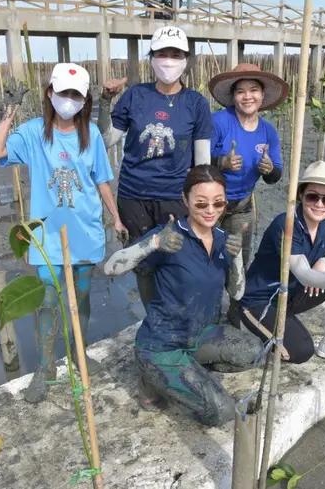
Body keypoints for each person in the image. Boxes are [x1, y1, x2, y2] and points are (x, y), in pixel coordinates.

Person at [0, 63, 125, 403]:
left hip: (85, 231)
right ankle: (45, 366)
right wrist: (10, 111)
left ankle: (79, 353)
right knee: (47, 300)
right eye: (63, 93)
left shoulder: (90, 134)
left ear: (84, 99)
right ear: (50, 93)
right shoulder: (34, 132)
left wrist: (117, 218)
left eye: (76, 95)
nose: (69, 99)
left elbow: (101, 180)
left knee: (82, 298)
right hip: (48, 235)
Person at [103, 165, 261, 426]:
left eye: (218, 203)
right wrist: (152, 243)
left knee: (254, 352)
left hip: (201, 334)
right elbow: (111, 267)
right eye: (201, 204)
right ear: (185, 200)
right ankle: (152, 375)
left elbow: (237, 292)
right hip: (161, 344)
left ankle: (181, 373)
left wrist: (237, 257)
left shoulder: (222, 239)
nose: (210, 211)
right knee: (221, 412)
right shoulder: (169, 236)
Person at [97, 26, 214, 312]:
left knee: (179, 261)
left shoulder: (196, 103)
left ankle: (178, 318)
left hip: (175, 197)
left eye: (176, 54)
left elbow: (202, 161)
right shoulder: (135, 95)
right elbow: (106, 139)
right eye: (162, 53)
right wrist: (104, 100)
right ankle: (153, 319)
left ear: (186, 59)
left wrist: (203, 203)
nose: (169, 60)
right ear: (152, 58)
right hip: (133, 196)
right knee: (144, 264)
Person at [230, 161, 325, 367]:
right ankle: (249, 326)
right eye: (313, 196)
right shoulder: (286, 224)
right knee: (302, 351)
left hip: (293, 295)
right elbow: (303, 273)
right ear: (301, 195)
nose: (320, 204)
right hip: (262, 301)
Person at [208, 63, 287, 269]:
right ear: (233, 97)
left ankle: (237, 301)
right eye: (240, 91)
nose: (247, 97)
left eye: (253, 90)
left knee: (239, 262)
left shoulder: (268, 131)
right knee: (205, 257)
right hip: (209, 203)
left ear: (262, 95)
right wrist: (220, 163)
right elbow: (194, 162)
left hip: (241, 207)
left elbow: (275, 176)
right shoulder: (218, 121)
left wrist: (269, 169)